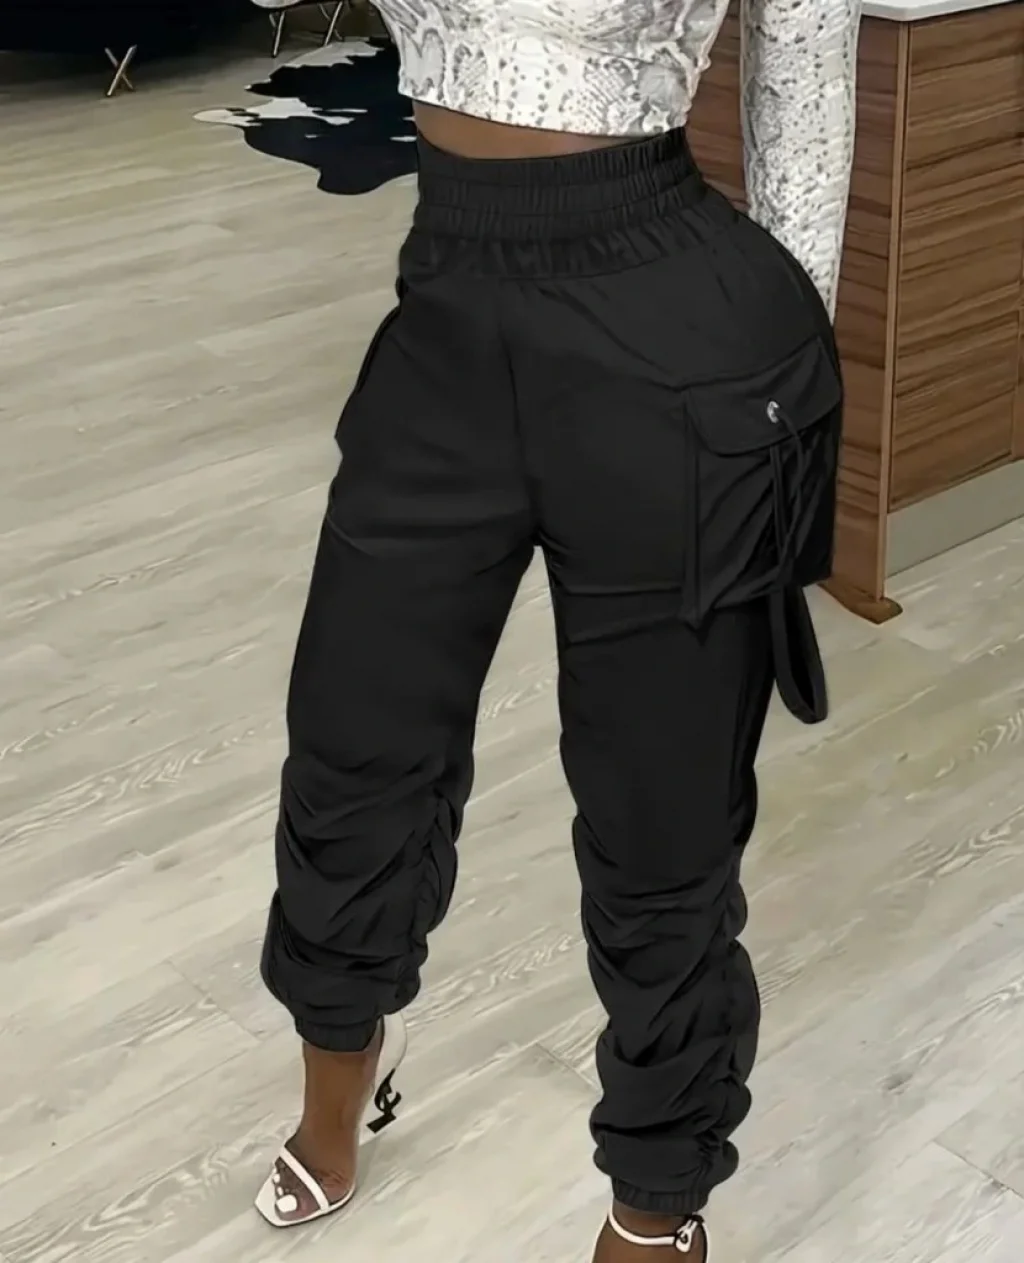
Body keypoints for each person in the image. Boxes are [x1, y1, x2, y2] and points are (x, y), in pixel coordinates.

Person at [253, 0, 861, 1257]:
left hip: (678, 341)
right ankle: (341, 1063)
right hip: (446, 308)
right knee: (352, 751)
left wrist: (775, 401)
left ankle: (656, 1204)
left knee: (660, 826)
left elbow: (803, 89)